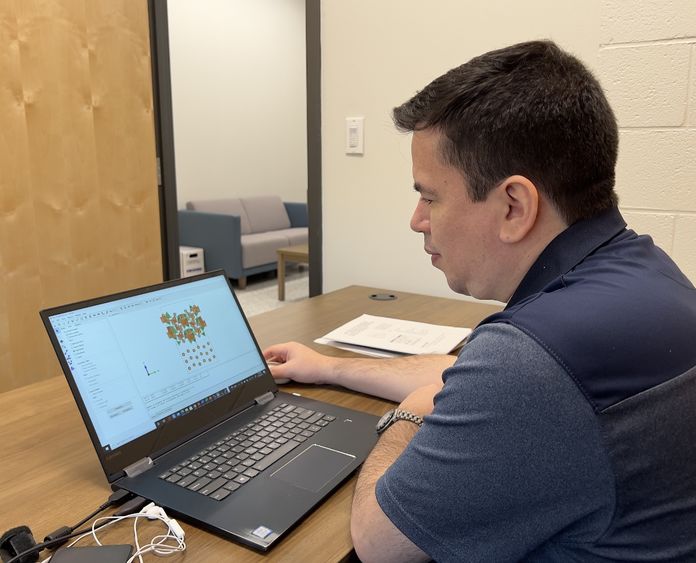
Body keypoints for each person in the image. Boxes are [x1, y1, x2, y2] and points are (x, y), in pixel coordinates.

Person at [264, 40, 696, 562]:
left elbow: (380, 543)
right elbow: (463, 376)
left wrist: (410, 415)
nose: (417, 220)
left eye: (430, 196)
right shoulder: (643, 273)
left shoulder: (531, 360)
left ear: (514, 206)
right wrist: (327, 367)